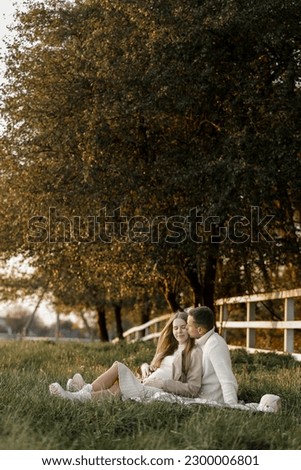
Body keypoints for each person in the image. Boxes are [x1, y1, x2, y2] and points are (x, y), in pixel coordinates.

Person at [49, 311, 203, 402]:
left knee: (118, 367)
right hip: (145, 382)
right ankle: (77, 395)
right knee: (117, 388)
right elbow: (155, 369)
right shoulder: (172, 349)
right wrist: (145, 367)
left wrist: (163, 384)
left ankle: (78, 393)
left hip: (157, 391)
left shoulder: (193, 353)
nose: (179, 331)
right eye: (175, 328)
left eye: (183, 327)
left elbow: (192, 389)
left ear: (190, 329)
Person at [186, 306, 238, 405]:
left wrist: (232, 407)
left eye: (189, 325)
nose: (186, 328)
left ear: (200, 330)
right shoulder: (200, 343)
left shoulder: (215, 345)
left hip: (211, 403)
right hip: (197, 398)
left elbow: (227, 380)